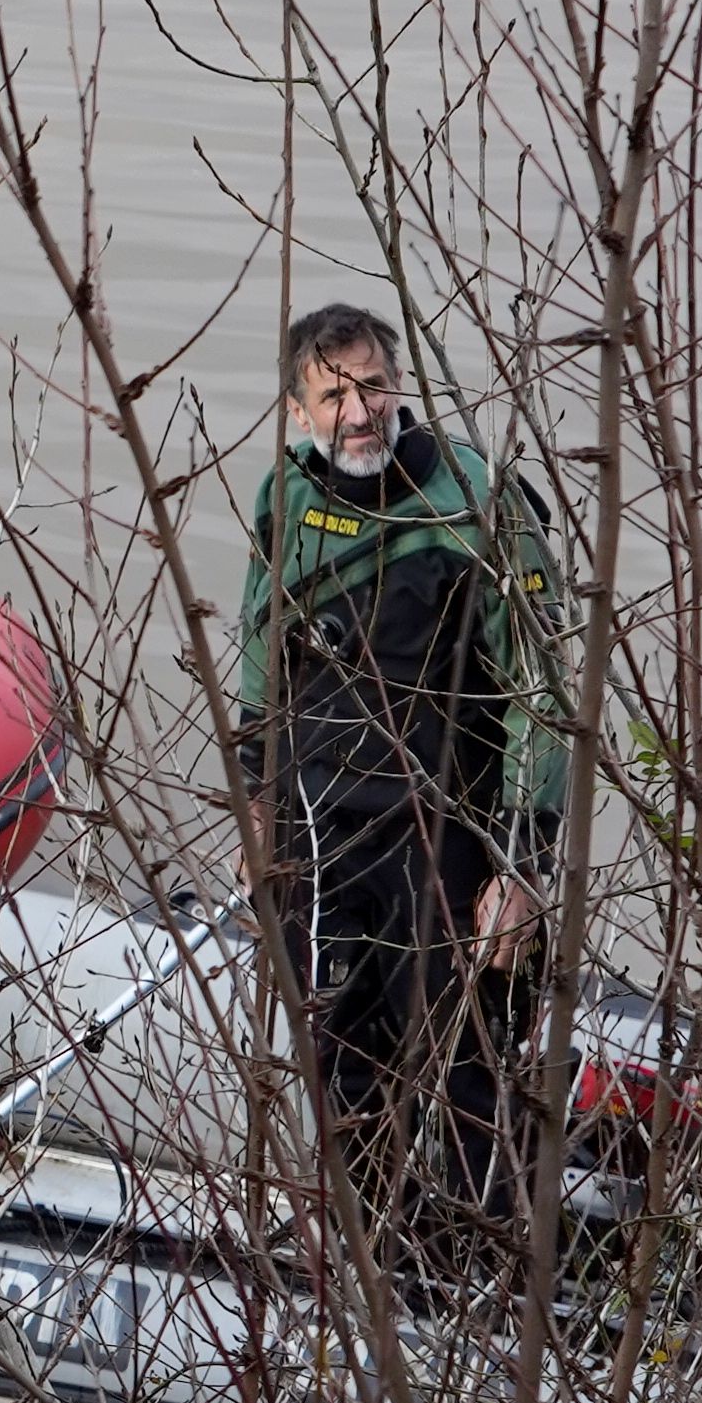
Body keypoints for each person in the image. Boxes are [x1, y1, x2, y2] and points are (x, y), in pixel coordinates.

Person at [236, 301, 572, 1220]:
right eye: (332, 394)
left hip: (445, 838)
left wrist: (520, 869)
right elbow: (259, 649)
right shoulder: (286, 497)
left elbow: (548, 694)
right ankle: (369, 1263)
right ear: (299, 413)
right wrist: (255, 800)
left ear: (401, 387)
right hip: (320, 830)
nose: (358, 411)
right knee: (341, 1065)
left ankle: (487, 1284)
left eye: (374, 386)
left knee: (465, 1076)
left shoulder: (478, 503)